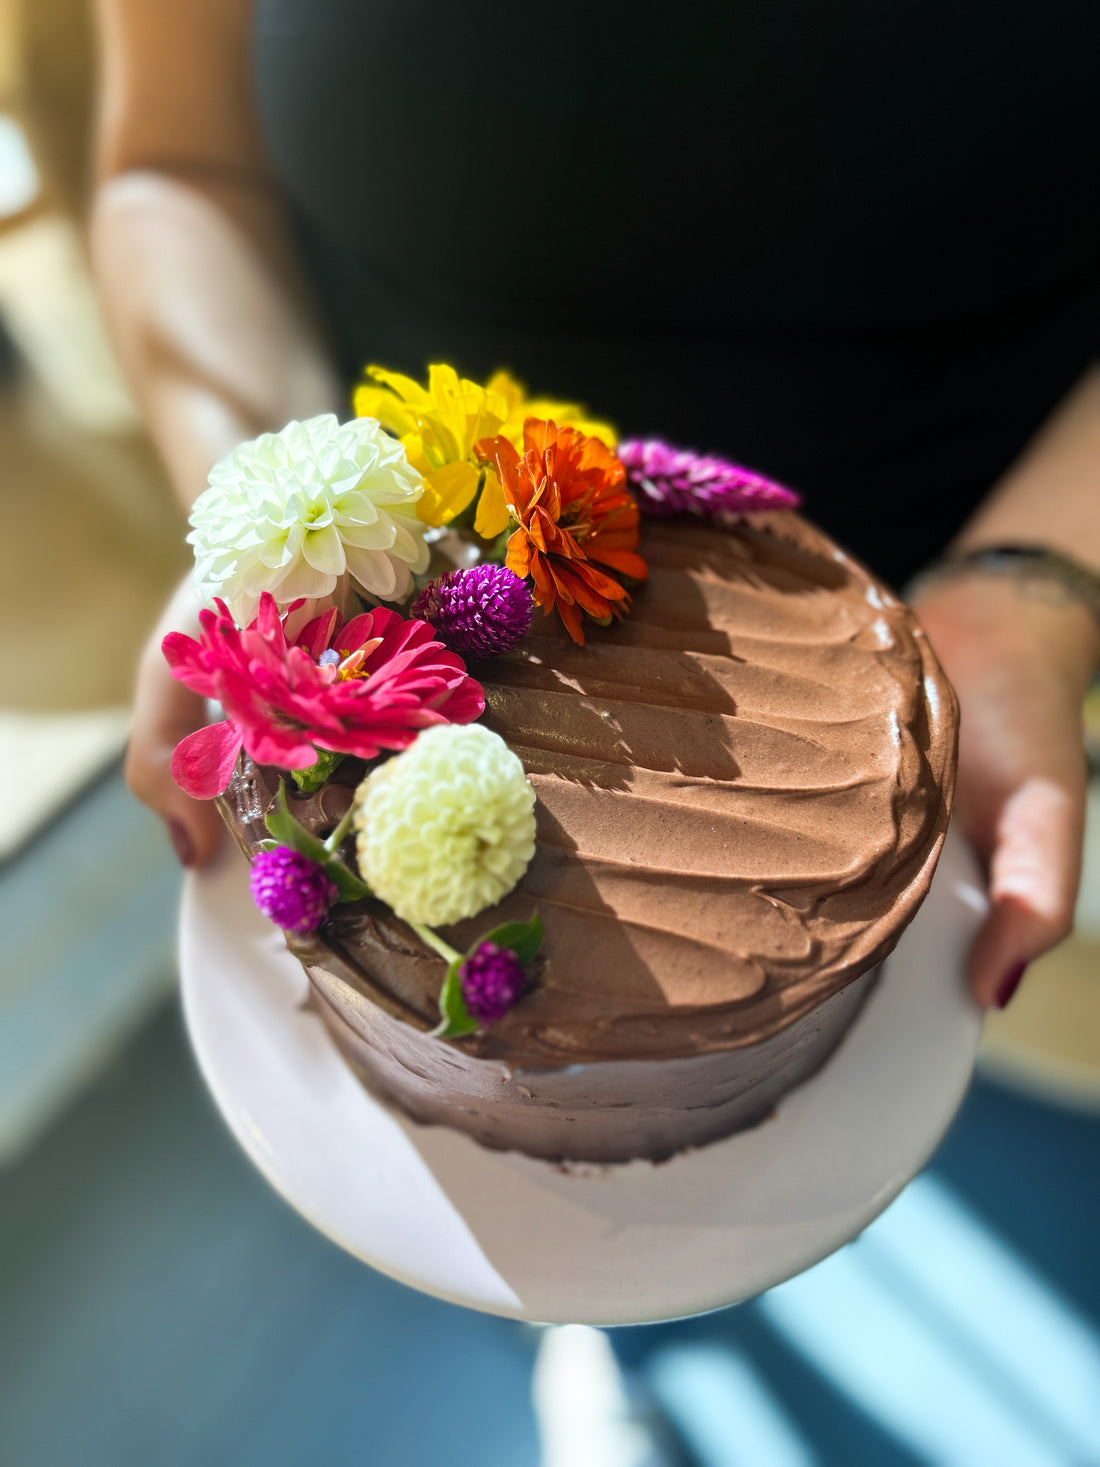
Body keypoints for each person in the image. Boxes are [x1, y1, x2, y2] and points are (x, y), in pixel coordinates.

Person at [92, 0, 1100, 1021]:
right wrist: (284, 525)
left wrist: (1033, 581)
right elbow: (181, 167)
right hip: (402, 586)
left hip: (947, 600)